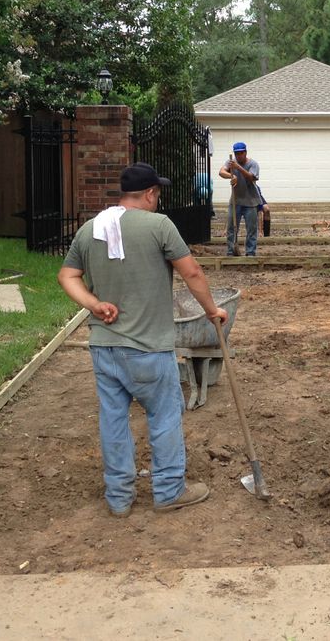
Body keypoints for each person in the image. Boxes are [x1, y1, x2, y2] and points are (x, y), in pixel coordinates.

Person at [58, 162, 228, 517]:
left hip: (104, 347)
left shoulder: (90, 229)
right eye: (158, 193)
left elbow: (67, 276)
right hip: (148, 347)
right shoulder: (159, 225)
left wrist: (94, 304)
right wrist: (212, 310)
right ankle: (168, 491)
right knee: (164, 415)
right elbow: (192, 272)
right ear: (150, 193)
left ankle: (118, 498)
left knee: (113, 419)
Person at [219, 141, 261, 256]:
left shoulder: (253, 164)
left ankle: (250, 253)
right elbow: (221, 172)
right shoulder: (231, 162)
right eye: (237, 153)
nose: (238, 156)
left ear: (245, 152)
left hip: (251, 201)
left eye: (241, 153)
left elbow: (252, 177)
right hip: (235, 201)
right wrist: (231, 175)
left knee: (251, 229)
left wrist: (238, 168)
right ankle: (231, 251)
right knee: (231, 228)